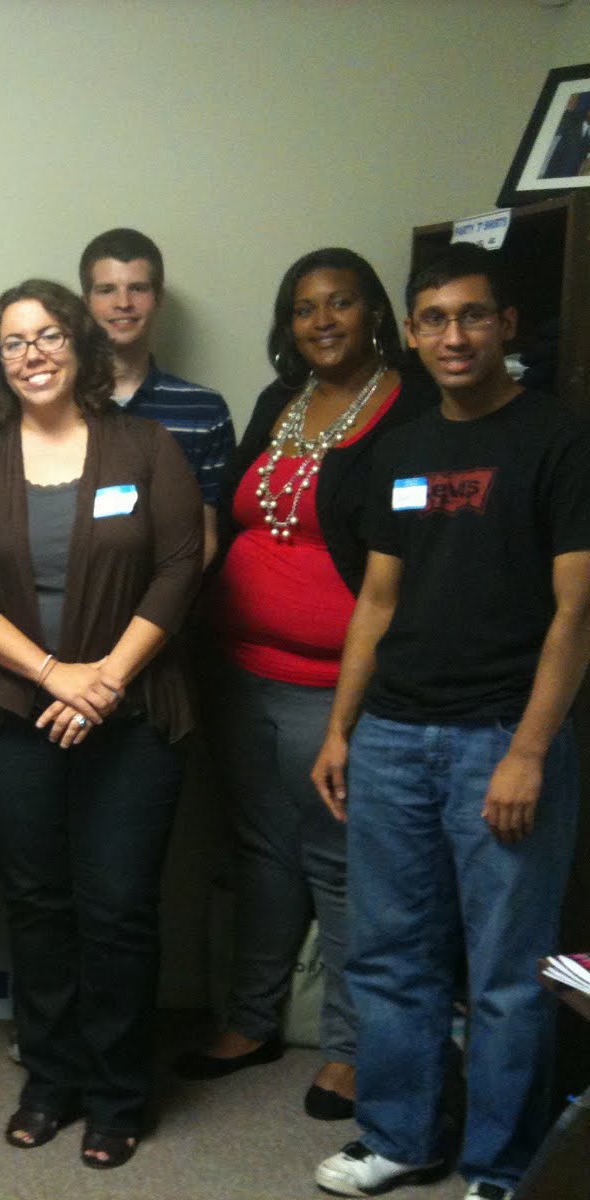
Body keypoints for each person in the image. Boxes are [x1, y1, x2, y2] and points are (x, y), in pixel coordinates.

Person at [311, 245, 590, 1200]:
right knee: (389, 953)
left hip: (499, 740)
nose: (453, 336)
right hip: (393, 734)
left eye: (472, 316)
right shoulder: (406, 446)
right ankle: (402, 1136)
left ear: (508, 325)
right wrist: (344, 730)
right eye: (434, 320)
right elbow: (378, 601)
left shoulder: (560, 439)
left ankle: (499, 1166)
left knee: (508, 976)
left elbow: (577, 612)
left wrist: (529, 751)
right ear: (416, 333)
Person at [0, 279, 202, 1168]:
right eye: (13, 343)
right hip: (14, 713)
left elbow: (177, 566)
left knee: (119, 909)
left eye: (48, 336)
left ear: (79, 346)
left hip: (133, 716)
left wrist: (106, 683)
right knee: (40, 907)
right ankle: (51, 1082)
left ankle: (120, 1095)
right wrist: (55, 676)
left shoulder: (145, 446)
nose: (33, 354)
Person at [175, 249, 433, 1120]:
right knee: (259, 856)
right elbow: (240, 516)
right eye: (304, 308)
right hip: (241, 677)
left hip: (338, 690)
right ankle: (251, 1021)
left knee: (341, 866)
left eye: (341, 304)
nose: (323, 321)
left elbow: (411, 562)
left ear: (374, 314)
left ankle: (352, 1051)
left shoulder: (411, 407)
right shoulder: (276, 403)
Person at [80, 227, 234, 566]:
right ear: (86, 302)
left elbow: (205, 538)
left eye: (138, 288)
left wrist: (155, 613)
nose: (123, 303)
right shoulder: (61, 405)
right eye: (107, 290)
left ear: (158, 298)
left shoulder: (204, 411)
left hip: (168, 609)